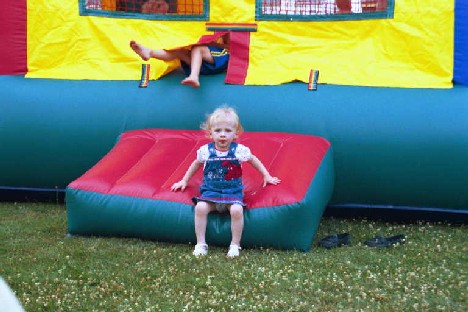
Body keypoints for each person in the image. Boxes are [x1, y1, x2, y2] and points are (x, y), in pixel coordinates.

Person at [171, 106, 281, 257]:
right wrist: (184, 180)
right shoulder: (205, 151)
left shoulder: (238, 150)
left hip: (232, 192)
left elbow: (253, 160)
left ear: (235, 133)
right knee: (200, 208)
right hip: (211, 192)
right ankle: (201, 243)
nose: (222, 135)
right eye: (218, 131)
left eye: (227, 131)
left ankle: (235, 245)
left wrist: (266, 175)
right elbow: (196, 163)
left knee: (237, 210)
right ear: (210, 133)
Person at [129, 34, 229, 88]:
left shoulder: (232, 25)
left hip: (224, 56)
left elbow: (233, 46)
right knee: (179, 52)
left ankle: (194, 76)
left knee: (198, 48)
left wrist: (210, 42)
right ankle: (150, 53)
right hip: (204, 63)